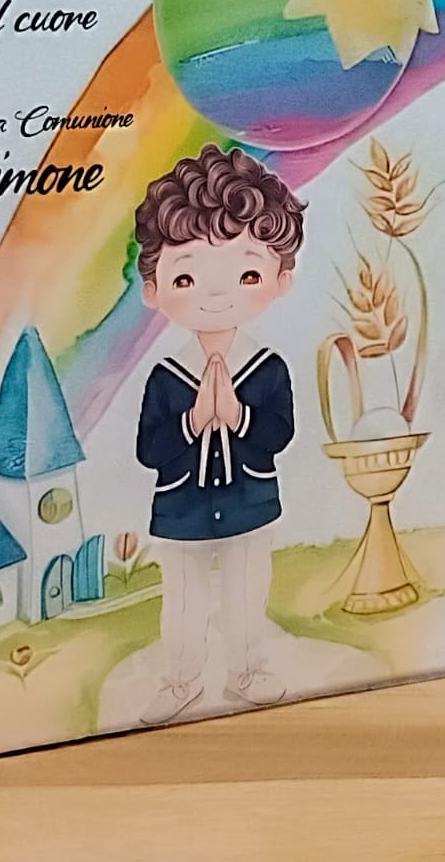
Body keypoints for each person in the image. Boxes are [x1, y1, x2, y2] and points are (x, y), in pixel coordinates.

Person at [132, 143, 304, 723]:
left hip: (250, 501)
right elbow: (149, 449)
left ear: (281, 279)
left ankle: (247, 671)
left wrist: (237, 418)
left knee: (246, 592)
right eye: (185, 276)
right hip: (180, 508)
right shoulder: (168, 375)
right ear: (154, 289)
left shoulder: (266, 367)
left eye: (247, 273)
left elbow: (279, 433)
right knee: (182, 600)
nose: (214, 294)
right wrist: (192, 422)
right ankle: (180, 681)